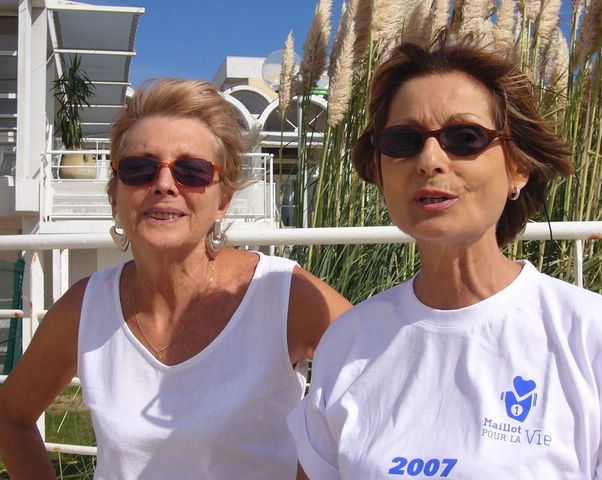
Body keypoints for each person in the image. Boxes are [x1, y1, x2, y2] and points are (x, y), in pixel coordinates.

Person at [287, 32, 602, 479]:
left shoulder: (599, 339)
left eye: (465, 137)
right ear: (379, 170)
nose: (430, 159)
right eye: (403, 141)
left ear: (518, 167)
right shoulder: (349, 342)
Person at [0, 79, 351, 479]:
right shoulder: (86, 308)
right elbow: (11, 415)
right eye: (139, 169)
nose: (164, 184)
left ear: (223, 200)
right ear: (115, 196)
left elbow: (384, 378)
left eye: (192, 171)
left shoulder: (280, 294)